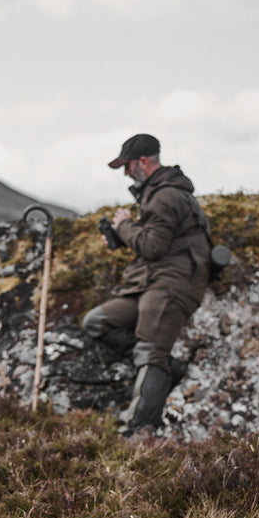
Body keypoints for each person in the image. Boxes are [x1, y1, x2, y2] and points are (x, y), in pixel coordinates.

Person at [82, 133, 212, 435]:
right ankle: (167, 367)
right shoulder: (158, 194)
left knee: (150, 351)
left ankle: (138, 431)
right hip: (149, 283)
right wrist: (122, 235)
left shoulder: (165, 195)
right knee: (96, 322)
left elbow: (153, 246)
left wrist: (124, 225)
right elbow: (157, 241)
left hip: (172, 285)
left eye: (127, 166)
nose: (126, 173)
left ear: (142, 162)